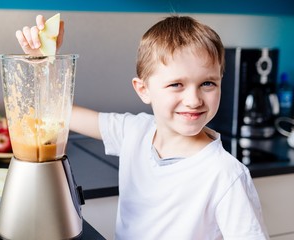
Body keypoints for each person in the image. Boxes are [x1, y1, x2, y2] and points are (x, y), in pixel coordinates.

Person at [16, 14, 269, 239]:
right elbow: (59, 111)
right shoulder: (135, 131)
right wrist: (42, 63)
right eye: (176, 85)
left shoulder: (226, 175)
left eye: (207, 84)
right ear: (143, 89)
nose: (194, 100)